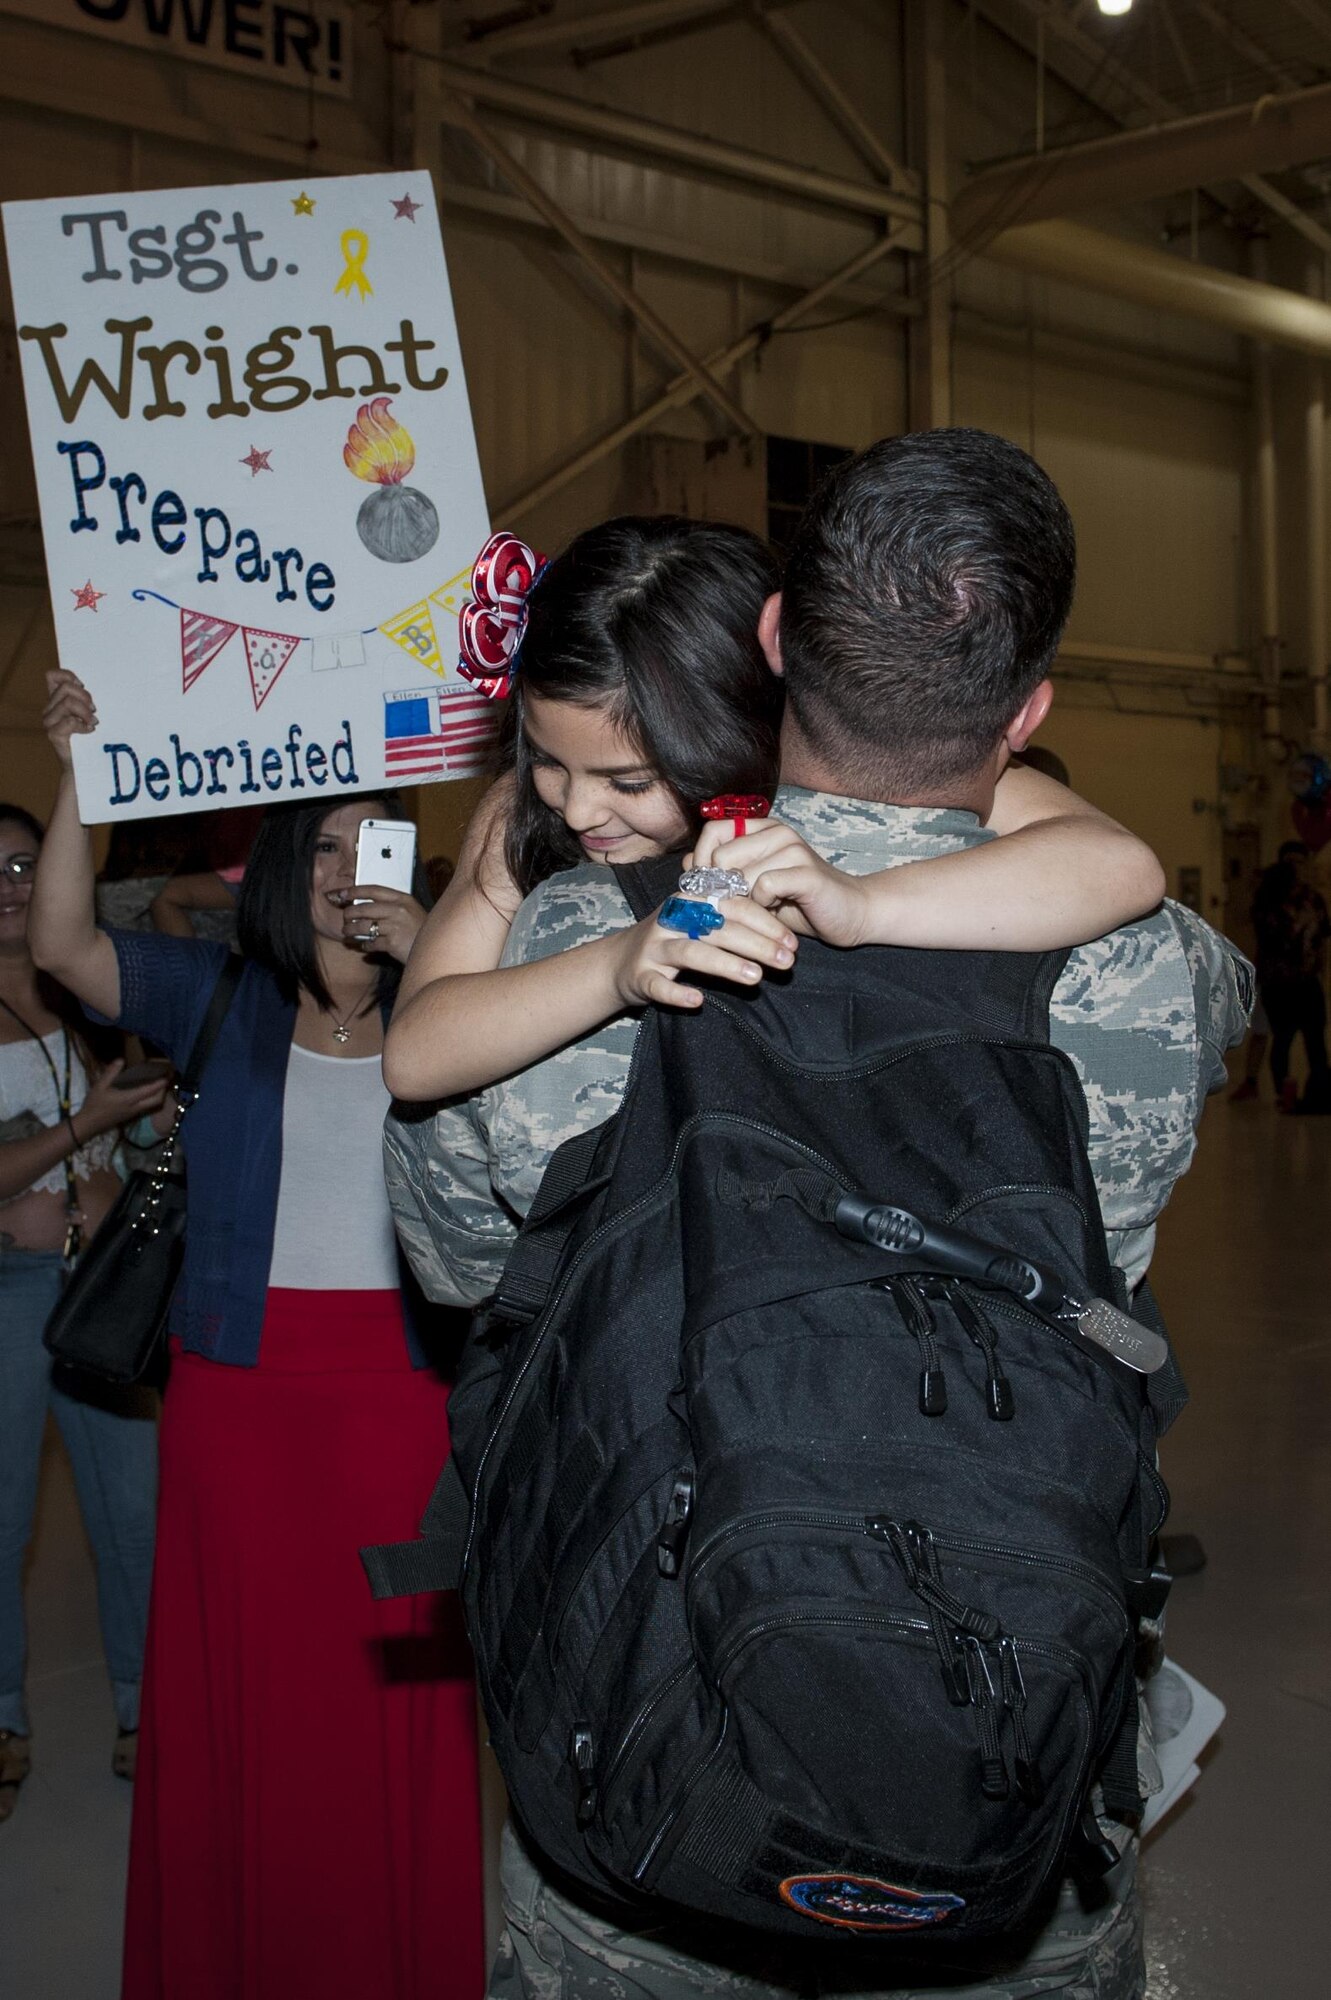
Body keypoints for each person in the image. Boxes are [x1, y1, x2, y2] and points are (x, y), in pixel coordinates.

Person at [384, 449, 1251, 2000]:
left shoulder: (601, 927)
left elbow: (454, 1264)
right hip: (1001, 1753)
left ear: (773, 638)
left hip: (646, 1773)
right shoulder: (1147, 958)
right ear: (1030, 711)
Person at [29, 683, 485, 2000]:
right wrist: (81, 772)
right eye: (327, 847)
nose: (352, 871)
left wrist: (433, 958)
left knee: (389, 1697)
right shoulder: (218, 994)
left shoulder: (447, 1012)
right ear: (286, 867)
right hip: (240, 1402)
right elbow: (61, 941)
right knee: (247, 1695)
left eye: (376, 843)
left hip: (400, 1403)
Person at [384, 515, 1163, 1109]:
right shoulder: (512, 817)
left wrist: (861, 903)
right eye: (550, 763)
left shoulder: (823, 769)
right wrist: (620, 967)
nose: (579, 807)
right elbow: (415, 1054)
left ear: (744, 731)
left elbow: (1120, 866)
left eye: (630, 782)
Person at [0, 802, 168, 1823]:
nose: (12, 884)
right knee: (1, 1515)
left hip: (103, 1287)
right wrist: (85, 1123)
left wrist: (144, 1117)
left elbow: (138, 1135)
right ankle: (4, 1715)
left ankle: (144, 1710)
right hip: (7, 1293)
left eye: (25, 862)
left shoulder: (91, 992)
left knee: (133, 1509)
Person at [1251, 839, 1330, 1112]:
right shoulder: (1269, 899)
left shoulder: (1313, 899)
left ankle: (1318, 1093)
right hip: (1279, 983)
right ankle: (1284, 1092)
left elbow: (1322, 939)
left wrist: (1321, 969)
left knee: (1315, 1040)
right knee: (1282, 1038)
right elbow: (1269, 939)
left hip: (1308, 982)